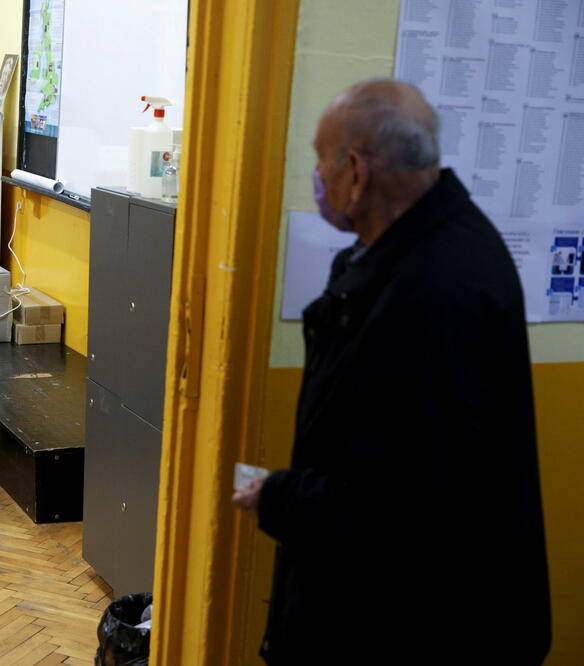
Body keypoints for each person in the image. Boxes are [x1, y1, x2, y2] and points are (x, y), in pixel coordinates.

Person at [233, 79, 550, 664]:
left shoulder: (430, 292)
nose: (317, 178)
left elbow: (398, 509)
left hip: (415, 627)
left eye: (319, 160)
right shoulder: (420, 252)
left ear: (355, 171)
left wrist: (279, 495)